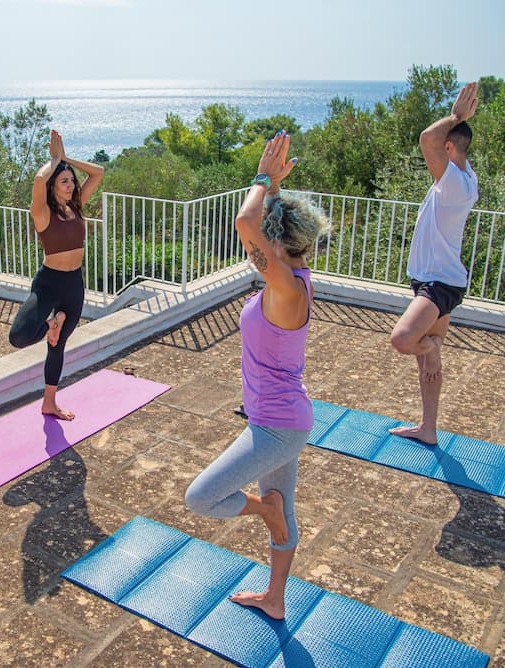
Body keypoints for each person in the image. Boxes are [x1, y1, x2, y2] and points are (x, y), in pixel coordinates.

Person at [185, 130, 329, 620]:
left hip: (277, 426)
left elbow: (245, 221)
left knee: (202, 497)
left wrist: (263, 178)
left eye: (265, 240)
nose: (254, 248)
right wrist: (275, 191)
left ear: (277, 243)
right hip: (280, 420)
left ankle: (264, 511)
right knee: (285, 510)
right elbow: (257, 225)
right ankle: (275, 599)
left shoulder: (286, 288)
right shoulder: (293, 279)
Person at [388, 82, 479, 446]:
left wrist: (456, 116)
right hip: (439, 279)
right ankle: (428, 428)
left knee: (405, 340)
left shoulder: (454, 182)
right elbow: (435, 141)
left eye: (443, 148)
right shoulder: (465, 177)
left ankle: (433, 348)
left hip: (438, 283)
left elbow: (427, 138)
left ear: (449, 148)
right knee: (426, 362)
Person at [8, 130, 104, 421]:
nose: (71, 185)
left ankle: (49, 403)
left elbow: (98, 172)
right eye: (64, 181)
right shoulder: (42, 214)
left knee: (57, 346)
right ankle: (52, 321)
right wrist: (54, 160)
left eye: (72, 180)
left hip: (74, 284)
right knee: (19, 337)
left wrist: (65, 158)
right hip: (49, 283)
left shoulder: (76, 206)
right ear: (53, 186)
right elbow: (39, 180)